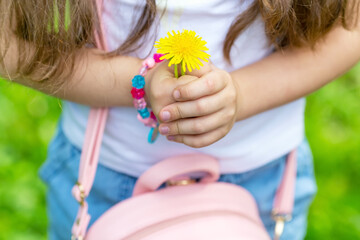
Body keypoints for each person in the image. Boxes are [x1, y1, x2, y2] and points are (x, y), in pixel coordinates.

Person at [1, 0, 359, 239]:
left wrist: (242, 93)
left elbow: (350, 28)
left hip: (265, 181)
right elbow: (9, 45)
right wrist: (139, 81)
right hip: (101, 184)